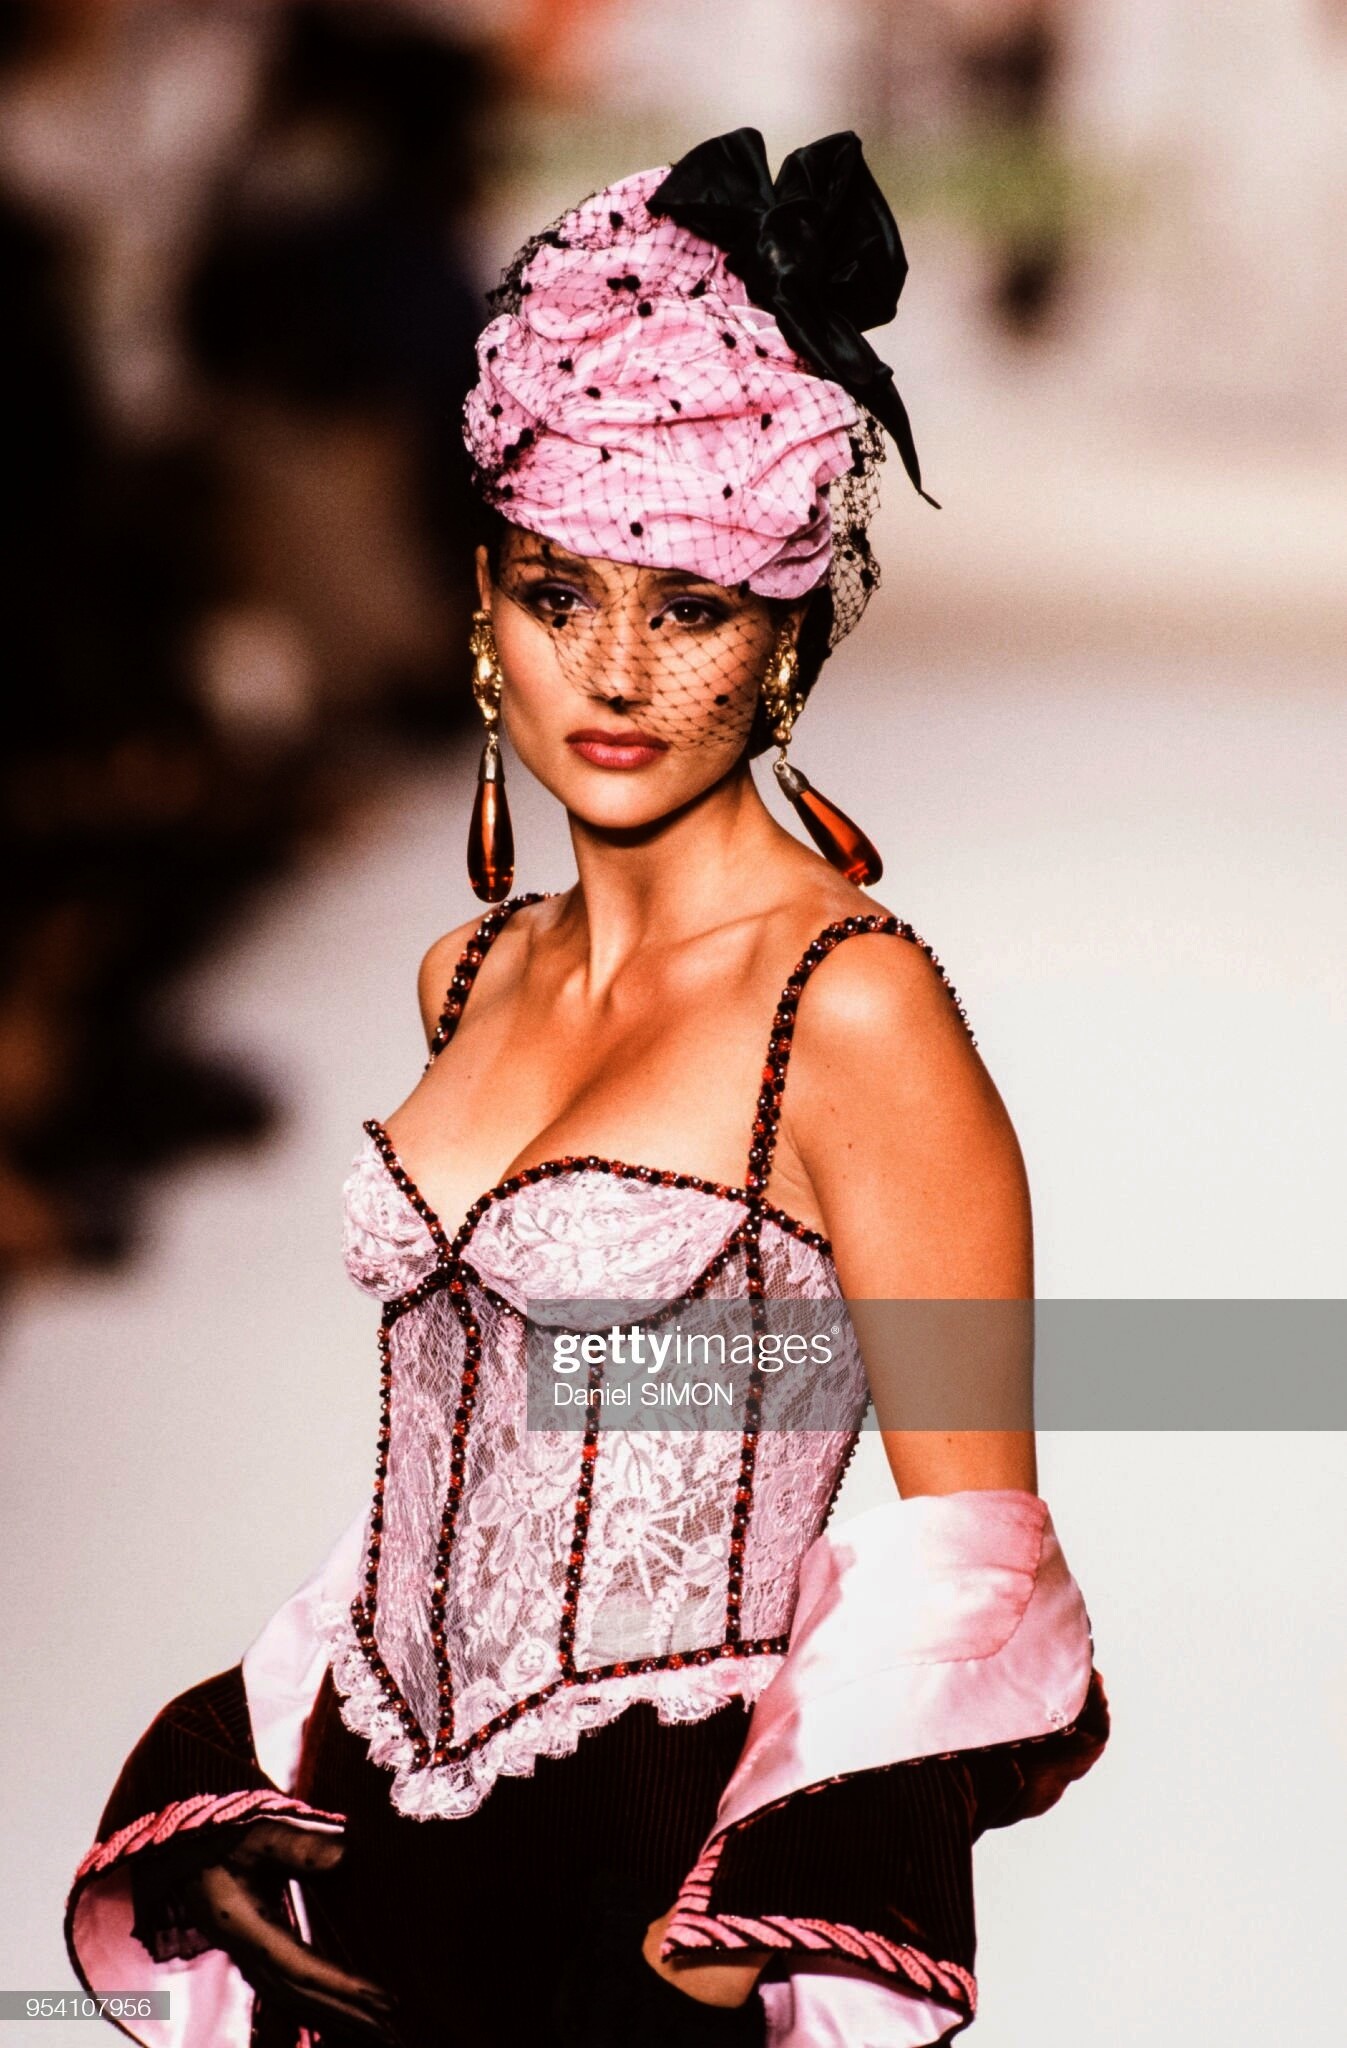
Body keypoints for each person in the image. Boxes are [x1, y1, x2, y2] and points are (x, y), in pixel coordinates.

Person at [65, 128, 1109, 2048]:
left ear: (785, 635)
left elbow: (984, 1567)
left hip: (639, 1898)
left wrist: (702, 1955)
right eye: (560, 596)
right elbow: (451, 1480)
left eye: (689, 608)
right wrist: (247, 1771)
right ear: (485, 607)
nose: (615, 672)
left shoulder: (852, 1014)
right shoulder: (470, 975)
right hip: (364, 1871)